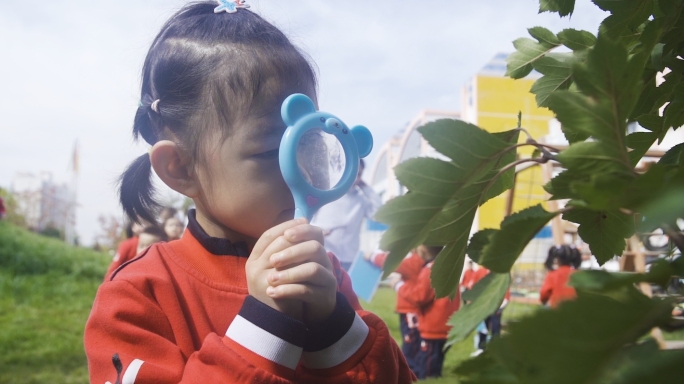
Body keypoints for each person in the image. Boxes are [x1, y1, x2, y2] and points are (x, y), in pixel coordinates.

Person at [84, 3, 414, 383]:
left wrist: (336, 324)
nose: (302, 172)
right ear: (181, 167)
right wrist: (265, 327)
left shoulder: (324, 275)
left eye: (309, 147)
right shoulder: (138, 296)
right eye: (273, 151)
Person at [395, 245, 459, 379]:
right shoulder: (448, 267)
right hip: (447, 324)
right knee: (436, 360)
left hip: (432, 325)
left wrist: (399, 286)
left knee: (426, 366)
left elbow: (419, 297)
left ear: (423, 249)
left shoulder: (430, 270)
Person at [311, 159, 382, 271]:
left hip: (349, 259)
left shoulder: (361, 199)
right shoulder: (326, 192)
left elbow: (379, 214)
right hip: (324, 254)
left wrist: (366, 187)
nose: (355, 178)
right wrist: (319, 232)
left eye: (358, 174)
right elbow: (308, 218)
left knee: (345, 289)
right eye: (353, 172)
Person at [368, 249, 428, 376]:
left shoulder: (415, 261)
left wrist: (371, 256)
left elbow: (392, 263)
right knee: (413, 340)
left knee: (410, 341)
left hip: (411, 310)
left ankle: (410, 370)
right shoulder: (423, 261)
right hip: (413, 311)